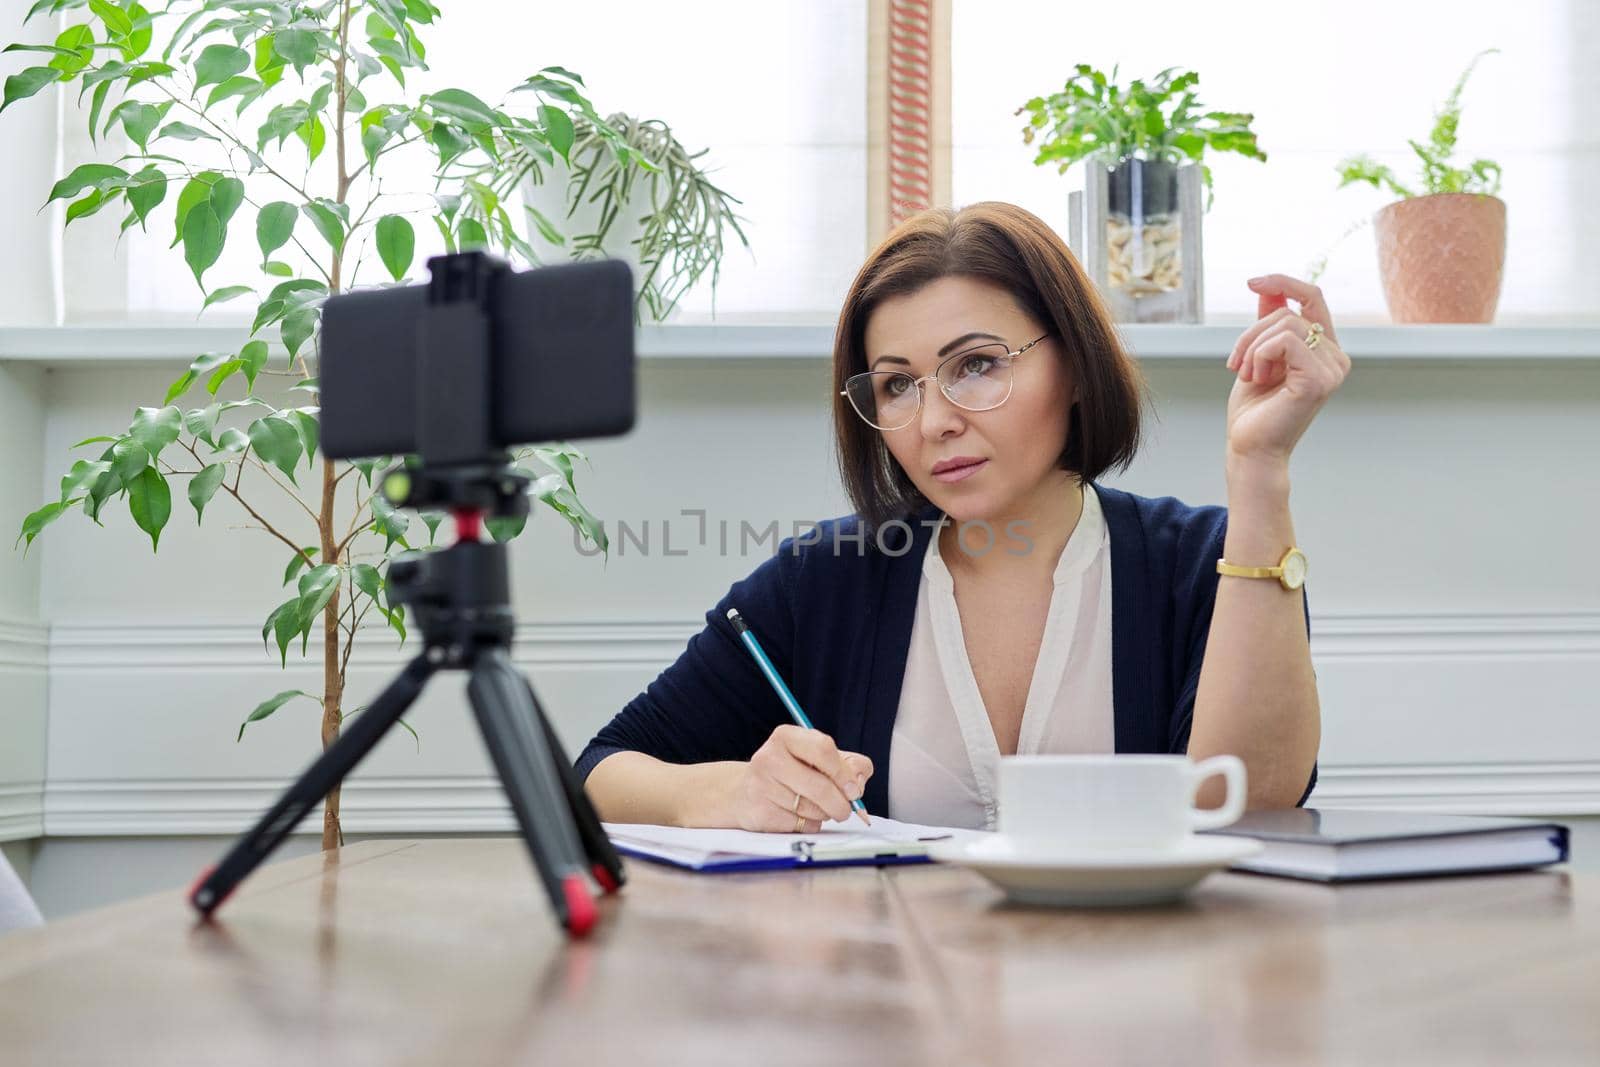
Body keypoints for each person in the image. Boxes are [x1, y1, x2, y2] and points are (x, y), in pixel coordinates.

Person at [576, 201, 1348, 833]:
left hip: (1148, 1003)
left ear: (1073, 365)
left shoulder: (1206, 561)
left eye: (976, 365)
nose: (934, 419)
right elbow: (599, 771)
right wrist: (726, 792)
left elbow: (1252, 806)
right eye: (897, 385)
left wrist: (1259, 471)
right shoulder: (825, 579)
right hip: (897, 1007)